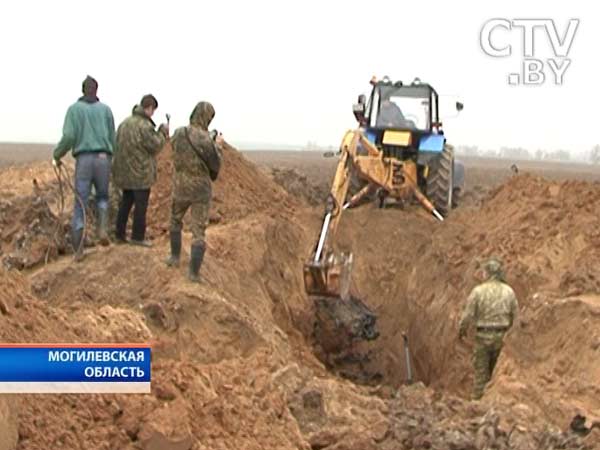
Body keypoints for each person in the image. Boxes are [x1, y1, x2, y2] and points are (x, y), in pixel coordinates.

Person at [53, 75, 116, 261]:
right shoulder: (106, 110)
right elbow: (113, 137)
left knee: (80, 203)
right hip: (104, 158)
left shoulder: (74, 110)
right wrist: (112, 158)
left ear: (83, 90)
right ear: (96, 90)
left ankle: (78, 250)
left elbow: (69, 136)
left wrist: (57, 155)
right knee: (103, 197)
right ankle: (102, 231)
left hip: (84, 160)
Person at [165, 101, 223, 282]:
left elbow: (173, 149)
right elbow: (215, 165)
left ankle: (174, 257)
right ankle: (193, 273)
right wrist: (218, 146)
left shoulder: (178, 133)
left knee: (175, 220)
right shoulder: (205, 140)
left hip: (180, 185)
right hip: (200, 190)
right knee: (198, 231)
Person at [458, 257, 519, 400]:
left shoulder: (478, 291)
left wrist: (462, 330)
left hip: (483, 338)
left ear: (488, 273)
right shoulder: (509, 292)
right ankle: (496, 406)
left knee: (481, 376)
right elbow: (516, 317)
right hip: (502, 337)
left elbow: (468, 315)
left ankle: (477, 406)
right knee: (497, 376)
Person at [112, 95, 168, 246]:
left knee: (125, 203)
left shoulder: (124, 123)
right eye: (153, 110)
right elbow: (155, 146)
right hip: (141, 174)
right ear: (149, 108)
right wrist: (162, 132)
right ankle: (137, 237)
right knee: (140, 206)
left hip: (124, 173)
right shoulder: (145, 126)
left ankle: (119, 235)